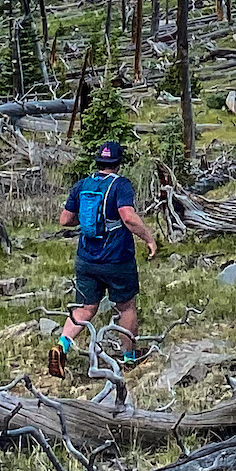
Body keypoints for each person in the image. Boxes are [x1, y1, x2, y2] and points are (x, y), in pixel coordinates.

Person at [51, 140, 158, 374]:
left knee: (85, 307)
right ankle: (129, 357)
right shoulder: (121, 185)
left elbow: (65, 220)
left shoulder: (82, 185)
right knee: (126, 306)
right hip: (116, 258)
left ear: (98, 161)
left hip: (86, 258)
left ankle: (61, 346)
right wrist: (149, 238)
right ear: (118, 163)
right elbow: (127, 217)